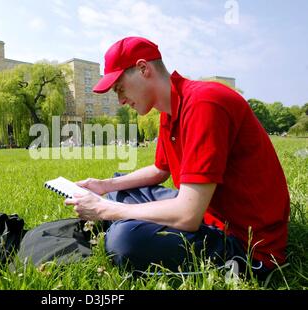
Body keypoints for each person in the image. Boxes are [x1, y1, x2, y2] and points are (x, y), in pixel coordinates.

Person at [64, 37, 290, 279]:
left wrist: (106, 210)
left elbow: (187, 215)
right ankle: (121, 216)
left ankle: (119, 224)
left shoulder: (204, 103)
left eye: (120, 88)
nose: (120, 100)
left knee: (124, 241)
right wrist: (103, 185)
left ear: (143, 69)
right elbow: (160, 170)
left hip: (246, 244)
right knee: (121, 188)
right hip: (209, 212)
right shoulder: (170, 109)